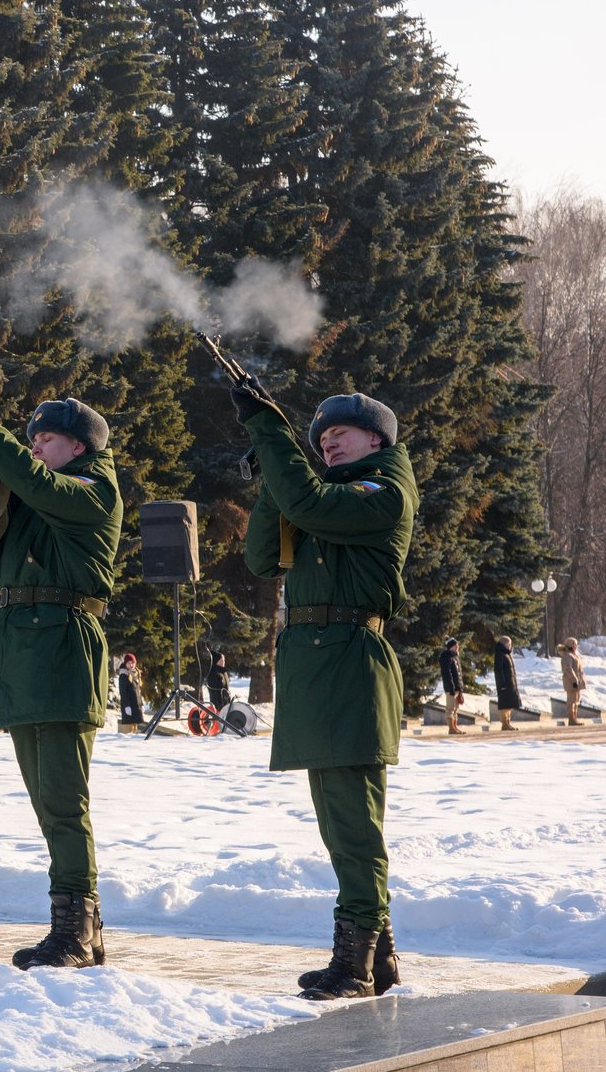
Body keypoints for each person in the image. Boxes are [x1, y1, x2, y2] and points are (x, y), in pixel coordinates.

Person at [236, 387, 417, 1000]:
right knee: (339, 823)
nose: (328, 439)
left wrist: (270, 433)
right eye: (320, 435)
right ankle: (376, 956)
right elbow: (263, 558)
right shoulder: (327, 499)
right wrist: (272, 477)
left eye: (342, 430)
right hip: (318, 667)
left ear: (377, 440)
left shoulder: (382, 491)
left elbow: (310, 503)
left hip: (349, 663)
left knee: (354, 822)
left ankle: (356, 961)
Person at [0, 386, 121, 970]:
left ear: (78, 445)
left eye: (45, 438)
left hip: (63, 647)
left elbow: (38, 482)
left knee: (64, 800)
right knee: (46, 802)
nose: (36, 448)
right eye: (32, 441)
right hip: (24, 652)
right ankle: (81, 927)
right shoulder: (29, 497)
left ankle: (74, 928)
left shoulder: (92, 488)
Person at [491, 636, 520, 731]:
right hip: (504, 685)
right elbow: (499, 671)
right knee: (504, 705)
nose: (511, 646)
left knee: (508, 705)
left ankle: (508, 722)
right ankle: (504, 723)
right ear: (505, 644)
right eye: (509, 644)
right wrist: (502, 684)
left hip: (509, 683)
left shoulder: (507, 654)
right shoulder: (500, 655)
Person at [559, 638, 588, 725]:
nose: (575, 646)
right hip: (571, 682)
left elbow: (578, 670)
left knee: (576, 700)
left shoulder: (574, 655)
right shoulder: (567, 656)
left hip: (576, 682)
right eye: (574, 644)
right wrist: (574, 680)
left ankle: (574, 718)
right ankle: (571, 719)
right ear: (569, 645)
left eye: (576, 644)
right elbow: (568, 669)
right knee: (571, 701)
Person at [440, 638, 465, 735]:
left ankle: (455, 726)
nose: (458, 648)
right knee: (450, 708)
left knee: (455, 709)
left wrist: (460, 688)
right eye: (456, 646)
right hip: (451, 688)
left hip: (457, 688)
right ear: (451, 647)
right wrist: (451, 687)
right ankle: (451, 728)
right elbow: (447, 674)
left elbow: (459, 674)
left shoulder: (455, 658)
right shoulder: (446, 657)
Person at [116, 654, 143, 734]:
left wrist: (141, 704)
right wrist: (127, 706)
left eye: (132, 663)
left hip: (136, 707)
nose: (131, 665)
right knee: (128, 733)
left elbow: (138, 692)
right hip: (129, 707)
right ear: (125, 664)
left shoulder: (136, 675)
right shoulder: (124, 676)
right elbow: (123, 692)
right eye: (128, 663)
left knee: (135, 733)